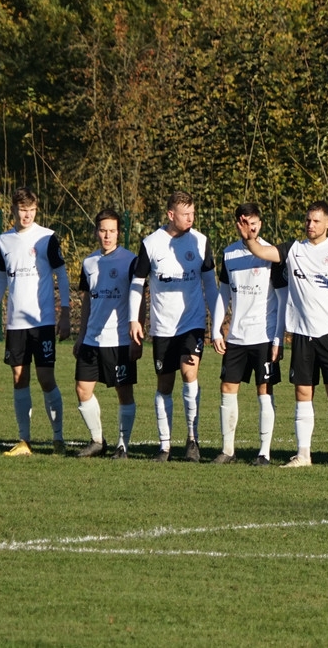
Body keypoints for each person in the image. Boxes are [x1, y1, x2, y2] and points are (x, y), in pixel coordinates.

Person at [237, 200, 328, 469]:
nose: (310, 225)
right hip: (302, 335)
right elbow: (263, 251)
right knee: (303, 393)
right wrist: (249, 239)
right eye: (307, 220)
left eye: (316, 221)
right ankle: (303, 455)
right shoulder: (293, 249)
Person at [129, 191, 225, 463]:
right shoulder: (151, 243)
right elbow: (137, 283)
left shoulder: (200, 242)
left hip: (192, 323)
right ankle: (165, 446)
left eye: (193, 213)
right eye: (185, 214)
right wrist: (134, 319)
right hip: (163, 327)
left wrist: (216, 325)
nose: (191, 218)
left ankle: (192, 439)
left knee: (189, 372)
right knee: (165, 383)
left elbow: (210, 285)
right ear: (171, 215)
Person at [0, 187, 71, 456]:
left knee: (46, 378)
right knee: (19, 378)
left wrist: (65, 312)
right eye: (22, 210)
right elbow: (0, 279)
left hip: (42, 322)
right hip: (16, 323)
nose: (27, 215)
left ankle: (58, 439)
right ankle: (24, 441)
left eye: (31, 210)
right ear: (14, 209)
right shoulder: (4, 240)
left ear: (36, 210)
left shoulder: (47, 237)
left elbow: (61, 274)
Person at [215, 202, 288, 466]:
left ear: (260, 224)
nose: (251, 227)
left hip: (264, 336)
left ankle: (264, 453)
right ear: (238, 224)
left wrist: (278, 338)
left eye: (254, 222)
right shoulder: (229, 254)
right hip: (236, 336)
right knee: (227, 387)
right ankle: (228, 451)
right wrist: (216, 330)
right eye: (246, 223)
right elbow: (223, 294)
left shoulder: (271, 254)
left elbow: (282, 299)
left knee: (264, 390)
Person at [73, 209, 143, 459]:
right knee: (82, 389)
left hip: (119, 339)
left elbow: (139, 299)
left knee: (124, 393)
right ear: (96, 232)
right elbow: (87, 300)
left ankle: (122, 445)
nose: (107, 235)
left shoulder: (130, 261)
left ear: (118, 233)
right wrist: (81, 335)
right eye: (103, 230)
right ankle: (97, 441)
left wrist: (137, 335)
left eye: (112, 231)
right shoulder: (89, 262)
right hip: (92, 339)